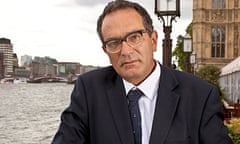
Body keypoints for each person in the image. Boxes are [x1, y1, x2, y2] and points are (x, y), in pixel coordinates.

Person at [52, 0, 233, 144]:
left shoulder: (200, 96)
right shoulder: (89, 90)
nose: (126, 51)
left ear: (153, 40)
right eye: (114, 43)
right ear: (105, 50)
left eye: (134, 37)